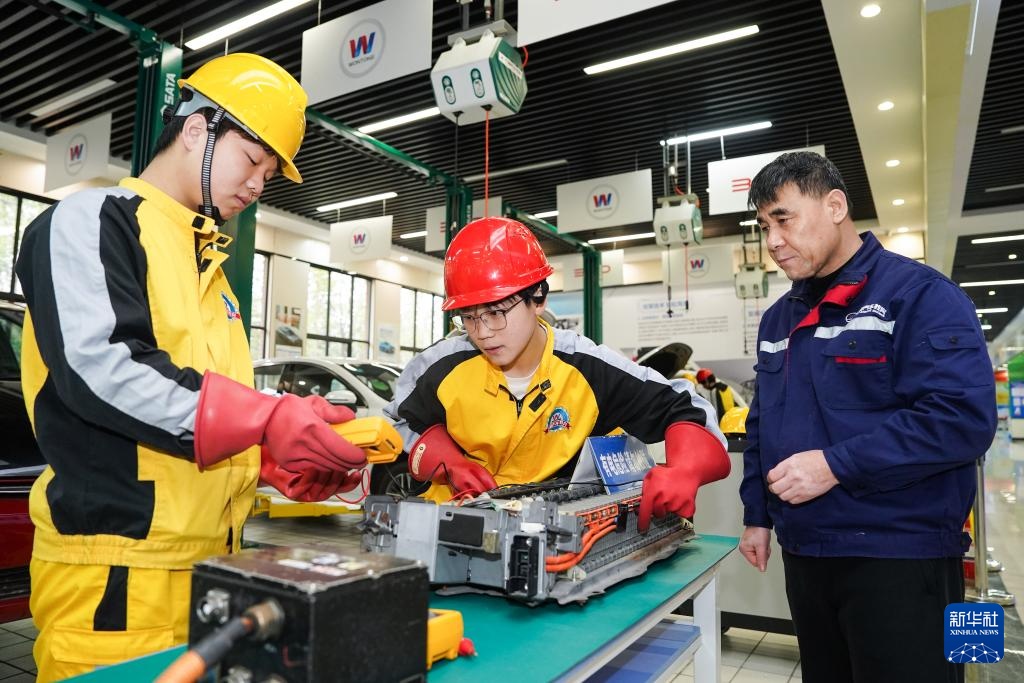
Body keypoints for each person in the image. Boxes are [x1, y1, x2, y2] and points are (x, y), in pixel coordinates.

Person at [16, 53, 368, 681]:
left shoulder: (211, 271)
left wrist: (266, 463)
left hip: (210, 573)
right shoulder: (93, 221)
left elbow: (189, 408)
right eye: (252, 160)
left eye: (269, 174)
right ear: (198, 129)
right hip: (114, 577)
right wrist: (265, 419)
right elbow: (103, 368)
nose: (257, 186)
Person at [738, 151, 996, 683]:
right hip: (807, 554)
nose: (773, 241)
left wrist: (836, 465)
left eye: (783, 219)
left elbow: (961, 418)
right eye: (764, 226)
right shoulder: (779, 318)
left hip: (900, 556)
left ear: (835, 206)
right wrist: (757, 515)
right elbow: (763, 422)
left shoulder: (919, 295)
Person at [385, 217, 730, 532]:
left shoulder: (589, 368)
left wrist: (684, 470)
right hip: (448, 529)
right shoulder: (440, 366)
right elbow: (398, 424)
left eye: (496, 312)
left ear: (538, 298)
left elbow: (687, 408)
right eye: (469, 317)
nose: (483, 332)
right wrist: (451, 464)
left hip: (551, 537)